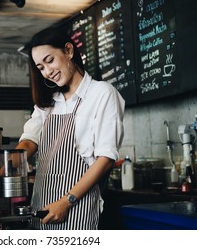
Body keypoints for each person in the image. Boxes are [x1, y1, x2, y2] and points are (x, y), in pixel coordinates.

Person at [16, 26, 125, 230]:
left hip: (77, 207)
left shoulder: (102, 94)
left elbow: (106, 159)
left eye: (50, 61)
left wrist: (66, 201)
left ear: (68, 50)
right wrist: (9, 162)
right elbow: (30, 139)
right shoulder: (48, 101)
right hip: (42, 205)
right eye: (40, 67)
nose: (47, 72)